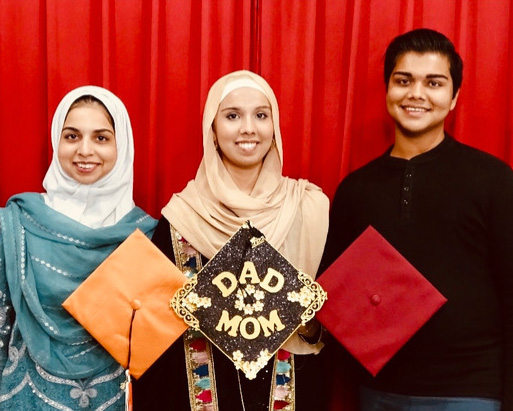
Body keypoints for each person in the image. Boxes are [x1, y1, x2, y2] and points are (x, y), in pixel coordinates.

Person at [320, 28, 513, 410]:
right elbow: (340, 295)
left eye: (434, 83)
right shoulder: (355, 190)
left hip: (470, 390)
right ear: (387, 89)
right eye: (403, 80)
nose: (417, 94)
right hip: (378, 392)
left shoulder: (494, 179)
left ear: (454, 96)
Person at [132, 70, 330, 411]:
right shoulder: (181, 216)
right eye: (233, 116)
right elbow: (155, 334)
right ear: (212, 127)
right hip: (196, 394)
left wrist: (310, 321)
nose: (248, 128)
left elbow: (331, 325)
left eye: (261, 115)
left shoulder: (308, 208)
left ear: (275, 127)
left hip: (291, 389)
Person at [0, 86, 157, 410]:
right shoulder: (16, 225)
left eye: (101, 138)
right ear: (57, 140)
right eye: (72, 136)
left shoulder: (146, 237)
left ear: (122, 145)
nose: (85, 150)